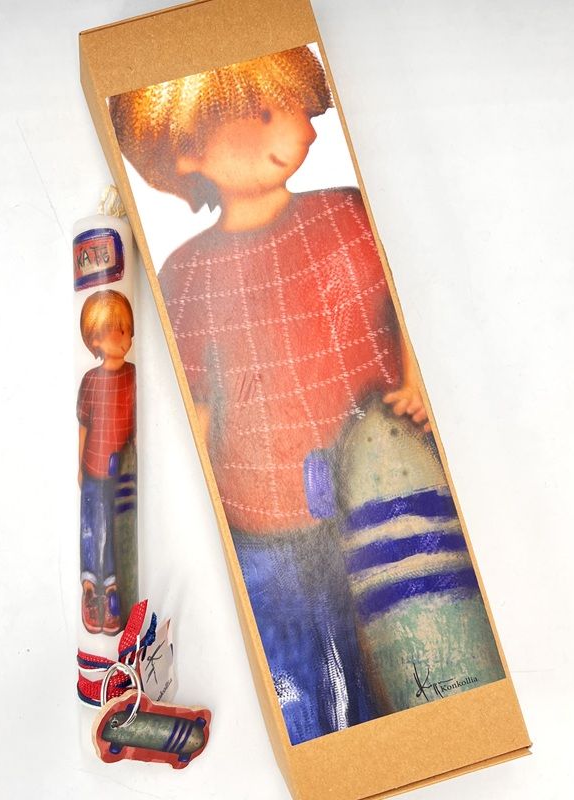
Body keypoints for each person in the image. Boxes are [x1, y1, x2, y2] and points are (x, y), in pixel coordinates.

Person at [110, 46, 428, 743]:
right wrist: (188, 512)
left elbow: (408, 309)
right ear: (187, 150)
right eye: (264, 113)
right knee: (299, 683)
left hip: (390, 499)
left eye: (299, 108)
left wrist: (417, 384)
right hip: (263, 527)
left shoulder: (349, 215)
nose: (304, 128)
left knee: (403, 665)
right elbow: (197, 408)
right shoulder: (187, 275)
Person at [77, 290, 136, 635]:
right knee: (91, 526)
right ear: (95, 339)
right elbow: (84, 425)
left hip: (121, 471)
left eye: (127, 329)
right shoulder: (90, 381)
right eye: (115, 330)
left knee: (114, 528)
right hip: (93, 467)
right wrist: (78, 466)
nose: (124, 337)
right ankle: (90, 588)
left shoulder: (133, 376)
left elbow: (137, 426)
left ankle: (111, 587)